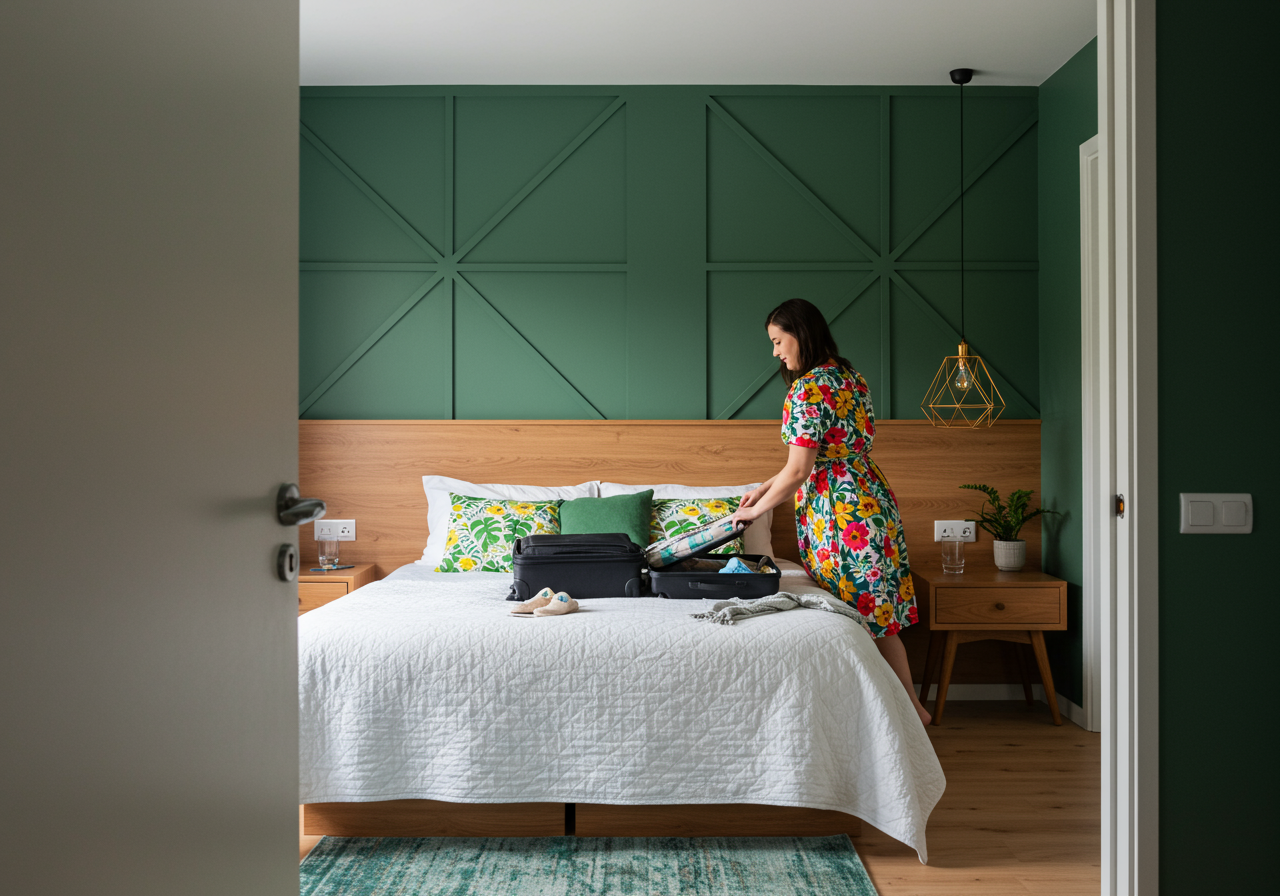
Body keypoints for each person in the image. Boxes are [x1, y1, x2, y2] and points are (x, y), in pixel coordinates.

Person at [730, 298, 931, 727]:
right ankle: (908, 710)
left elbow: (801, 469)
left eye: (778, 341)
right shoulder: (850, 378)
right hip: (869, 498)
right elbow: (812, 460)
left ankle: (887, 714)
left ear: (800, 333)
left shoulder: (807, 388)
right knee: (877, 612)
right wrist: (763, 488)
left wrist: (754, 513)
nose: (776, 352)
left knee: (850, 608)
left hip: (839, 513)